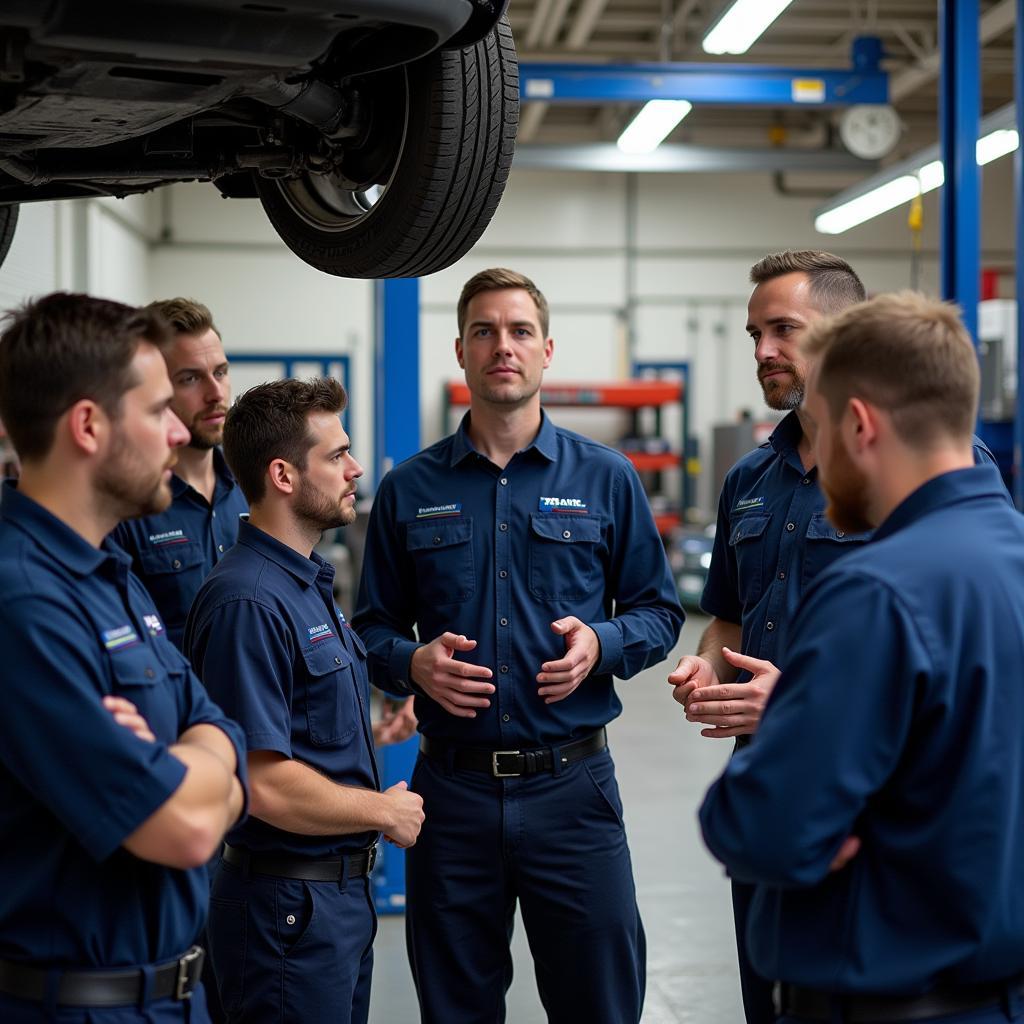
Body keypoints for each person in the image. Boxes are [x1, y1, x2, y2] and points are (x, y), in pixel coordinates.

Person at [666, 250, 999, 1024]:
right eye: (753, 334)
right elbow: (729, 615)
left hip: (874, 820)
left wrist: (800, 708)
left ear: (846, 337)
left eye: (784, 328)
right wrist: (704, 666)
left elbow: (946, 649)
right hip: (785, 784)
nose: (762, 352)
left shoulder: (926, 477)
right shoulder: (751, 477)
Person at [353, 267, 685, 1024]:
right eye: (485, 331)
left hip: (574, 791)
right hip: (453, 794)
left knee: (600, 1002)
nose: (503, 345)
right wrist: (411, 664)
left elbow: (658, 613)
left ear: (546, 351)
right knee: (456, 1006)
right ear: (462, 351)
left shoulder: (607, 478)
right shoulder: (409, 488)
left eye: (520, 330)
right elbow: (368, 628)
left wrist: (600, 645)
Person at [0, 292, 247, 1023]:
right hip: (76, 1005)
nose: (178, 431)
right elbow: (191, 830)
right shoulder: (23, 607)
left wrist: (188, 763)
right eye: (155, 410)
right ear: (88, 426)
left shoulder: (112, 576)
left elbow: (222, 731)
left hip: (176, 995)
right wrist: (209, 771)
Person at [185, 377, 424, 1024]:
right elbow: (259, 781)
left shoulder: (303, 582)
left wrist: (363, 736)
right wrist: (383, 809)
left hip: (333, 903)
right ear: (284, 475)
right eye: (337, 455)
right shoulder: (249, 600)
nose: (356, 469)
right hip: (286, 911)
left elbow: (286, 725)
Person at [112, 298, 247, 650]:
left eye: (220, 372)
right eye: (190, 378)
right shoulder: (126, 507)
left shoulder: (253, 485)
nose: (215, 393)